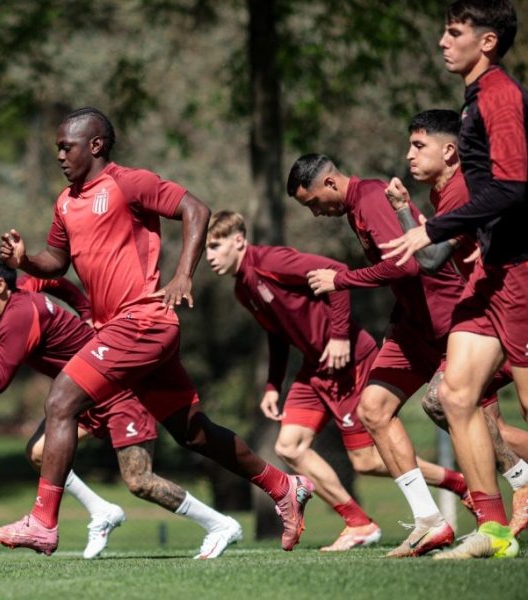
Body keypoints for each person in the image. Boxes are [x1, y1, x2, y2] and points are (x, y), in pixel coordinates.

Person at [0, 107, 314, 557]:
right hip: (126, 330)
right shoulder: (65, 202)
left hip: (142, 321)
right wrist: (24, 261)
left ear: (95, 145)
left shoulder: (129, 183)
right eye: (57, 148)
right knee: (193, 433)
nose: (59, 155)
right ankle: (283, 486)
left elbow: (196, 209)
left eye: (66, 147)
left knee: (61, 402)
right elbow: (56, 263)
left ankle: (42, 523)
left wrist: (183, 275)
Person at [0, 251, 243, 559]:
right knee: (39, 453)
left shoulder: (18, 316)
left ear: (0, 285)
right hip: (82, 396)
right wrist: (86, 312)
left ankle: (220, 524)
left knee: (140, 482)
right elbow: (54, 281)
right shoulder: (23, 288)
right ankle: (102, 511)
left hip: (119, 390)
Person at [206, 210, 475, 551]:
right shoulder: (242, 289)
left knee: (366, 461)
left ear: (238, 240)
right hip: (315, 369)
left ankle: (458, 483)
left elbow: (335, 271)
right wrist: (273, 385)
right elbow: (276, 334)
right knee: (289, 447)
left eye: (215, 246)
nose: (209, 256)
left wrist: (338, 336)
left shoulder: (270, 261)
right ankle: (358, 523)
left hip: (349, 362)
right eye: (207, 249)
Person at [379, 0, 527, 559]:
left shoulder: (500, 96)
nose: (443, 41)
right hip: (491, 272)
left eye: (455, 31)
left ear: (487, 42)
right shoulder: (473, 100)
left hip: (520, 271)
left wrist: (433, 229)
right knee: (454, 395)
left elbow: (513, 186)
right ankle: (492, 531)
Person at [287, 154, 479, 557]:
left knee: (480, 421)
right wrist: (397, 318)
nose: (316, 213)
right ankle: (429, 521)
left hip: (448, 322)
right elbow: (403, 278)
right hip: (412, 327)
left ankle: (520, 480)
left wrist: (341, 280)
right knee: (373, 409)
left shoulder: (372, 198)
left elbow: (406, 268)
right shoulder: (356, 208)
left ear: (330, 183)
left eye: (314, 203)